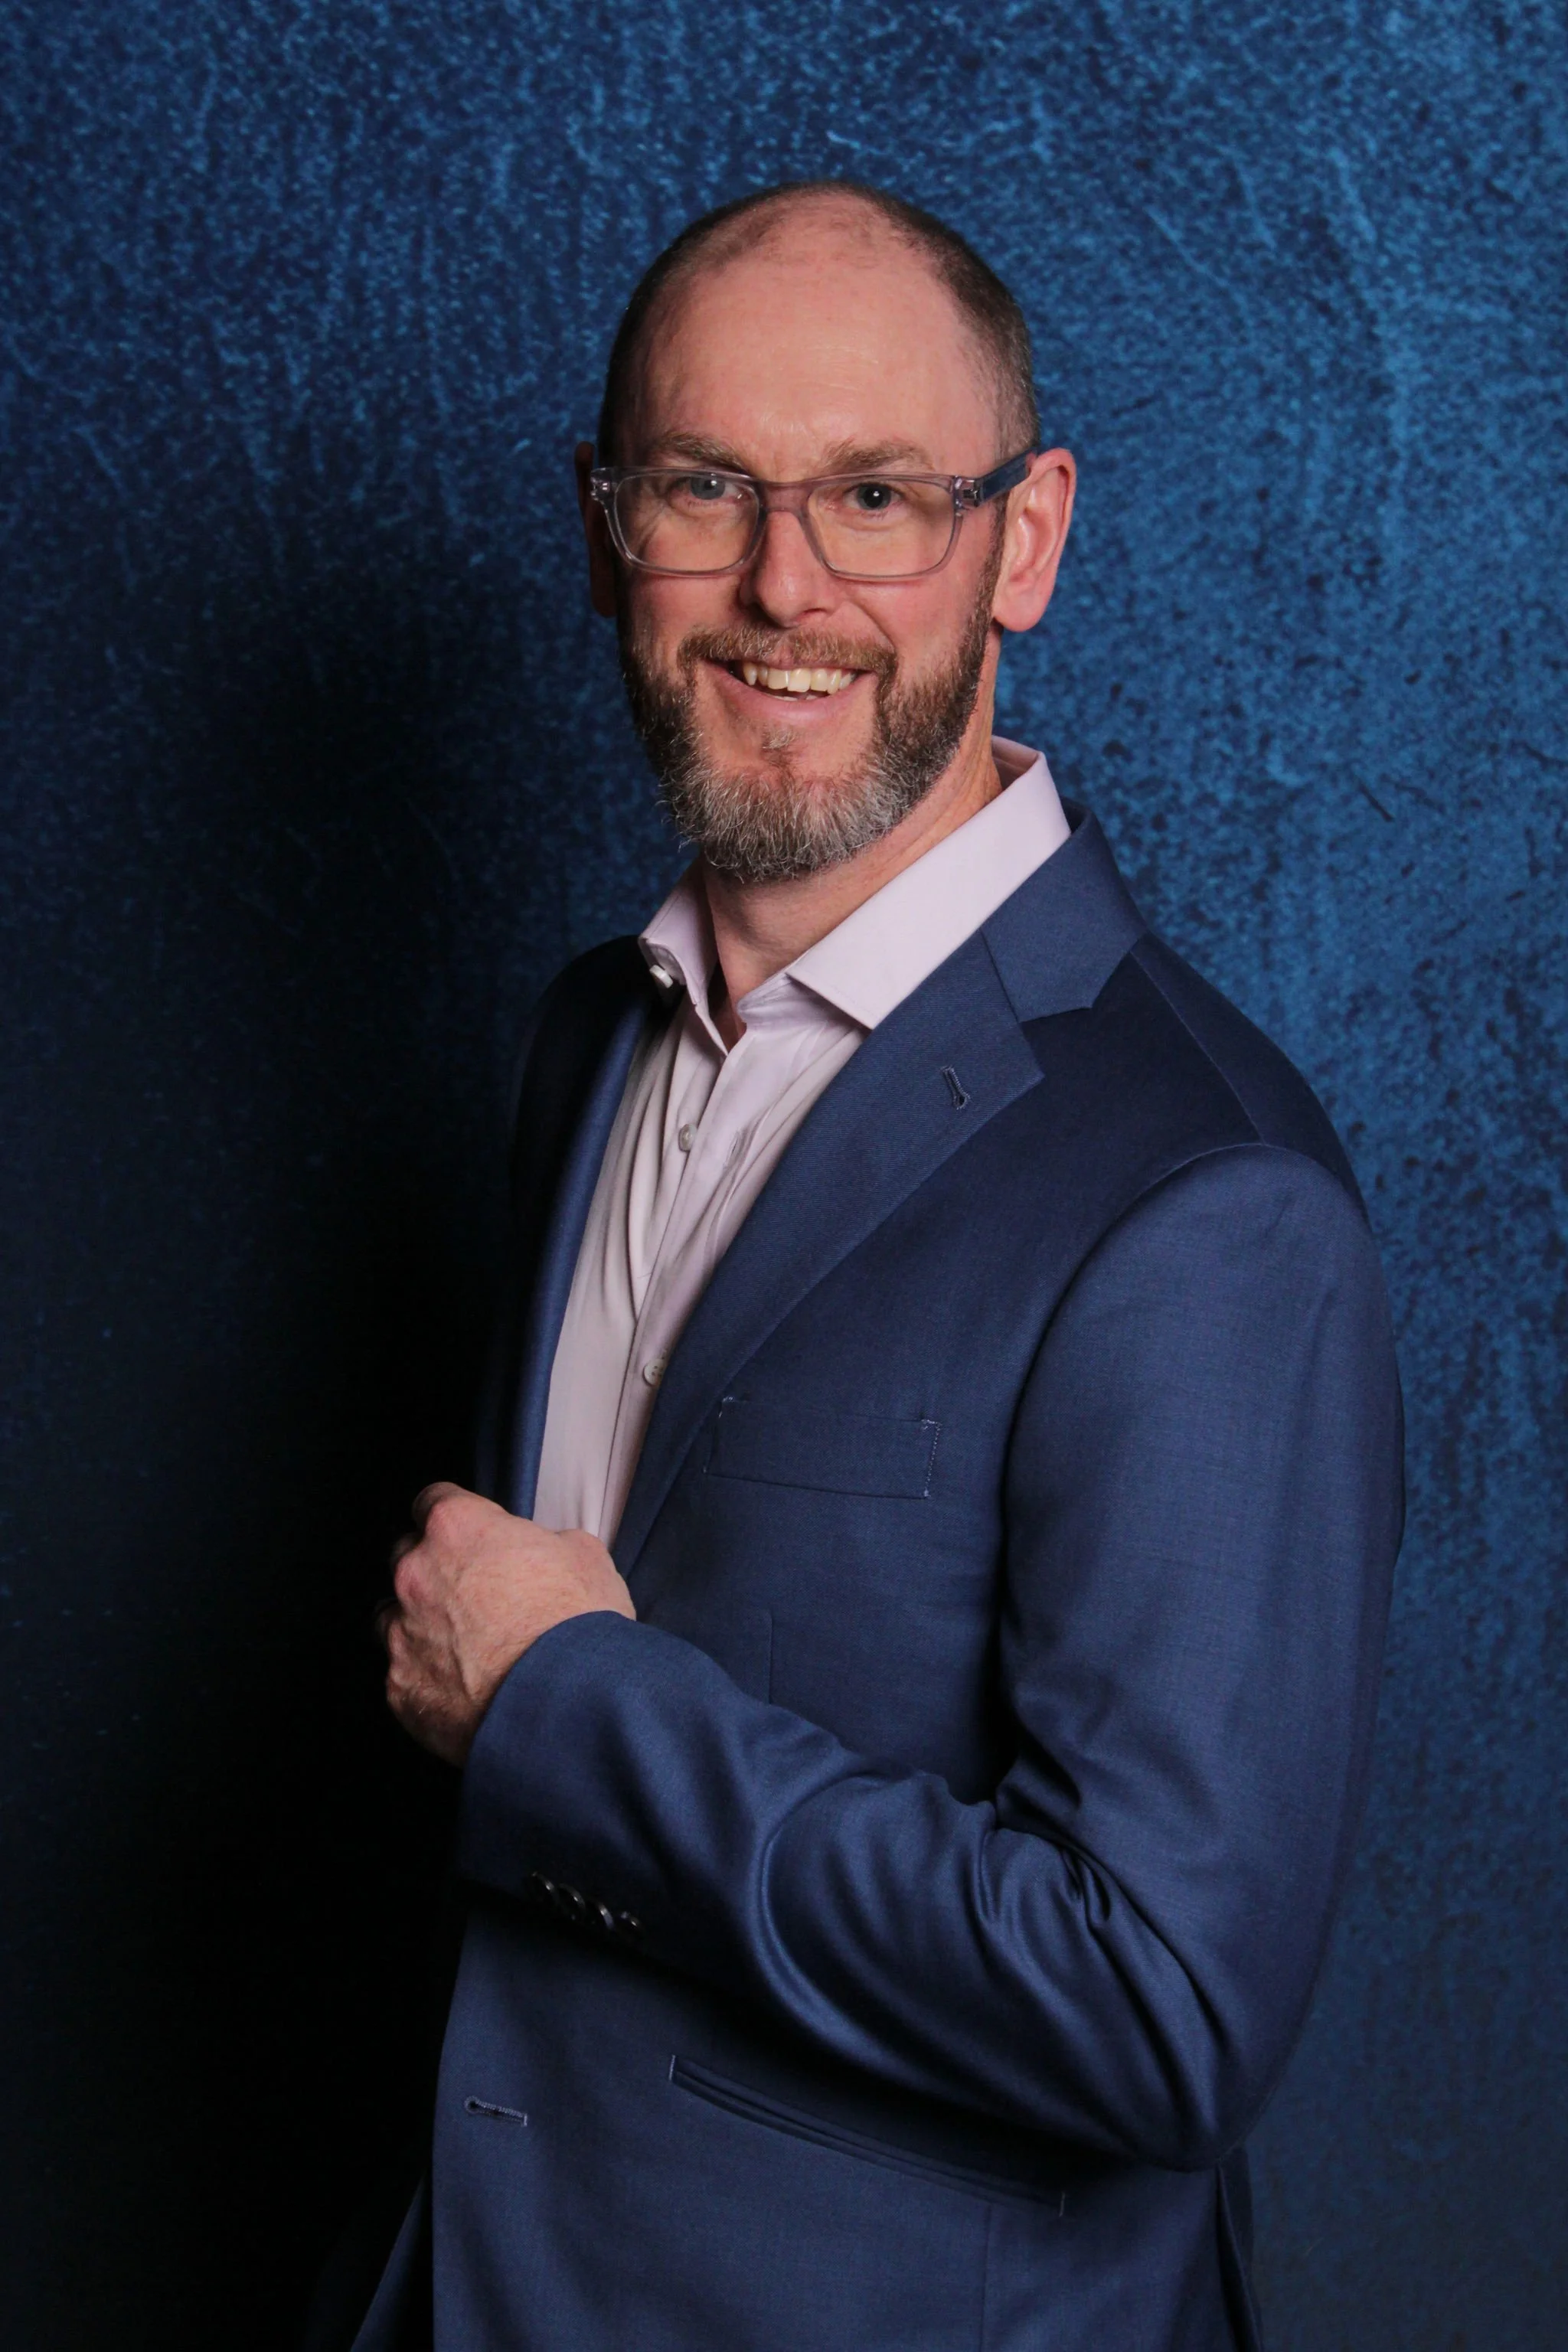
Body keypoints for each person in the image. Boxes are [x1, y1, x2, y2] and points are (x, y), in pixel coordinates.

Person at [351, 180, 1403, 2352]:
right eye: (702, 485)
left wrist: (566, 1704)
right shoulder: (589, 1036)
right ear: (601, 522)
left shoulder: (1208, 1196)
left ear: (1024, 540)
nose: (781, 586)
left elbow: (1160, 2009)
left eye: (879, 496)